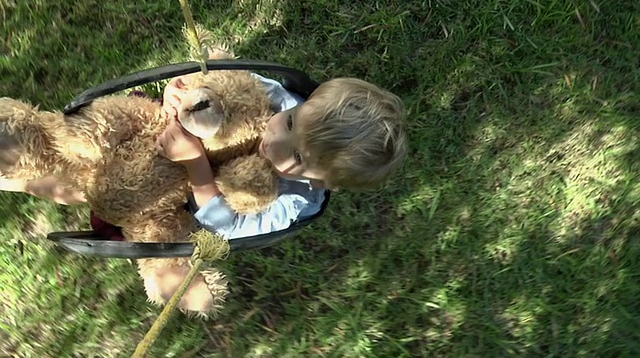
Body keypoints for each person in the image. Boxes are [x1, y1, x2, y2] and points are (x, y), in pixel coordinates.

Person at [0, 72, 407, 241]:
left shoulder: (293, 201)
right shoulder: (285, 101)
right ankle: (24, 151)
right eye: (289, 122)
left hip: (171, 193)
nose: (274, 140)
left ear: (325, 181)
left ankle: (18, 179)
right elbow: (230, 85)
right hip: (158, 136)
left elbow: (226, 225)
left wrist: (194, 163)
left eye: (297, 155)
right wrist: (186, 94)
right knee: (85, 143)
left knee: (81, 188)